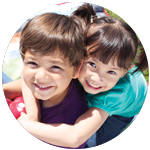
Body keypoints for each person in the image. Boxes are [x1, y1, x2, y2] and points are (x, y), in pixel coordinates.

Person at [3, 3, 148, 148]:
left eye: (111, 71)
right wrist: (34, 113)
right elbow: (28, 77)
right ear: (81, 55)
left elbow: (75, 137)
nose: (96, 78)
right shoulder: (76, 65)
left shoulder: (116, 94)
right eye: (92, 64)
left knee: (93, 139)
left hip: (121, 111)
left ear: (123, 72)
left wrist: (26, 124)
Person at [3, 12, 90, 149]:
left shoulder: (65, 122)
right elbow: (25, 80)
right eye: (33, 63)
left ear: (76, 69)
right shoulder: (55, 83)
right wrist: (33, 115)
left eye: (55, 67)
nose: (40, 76)